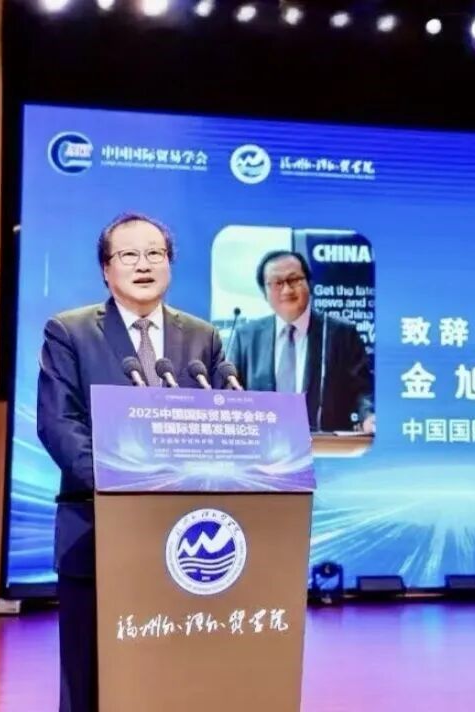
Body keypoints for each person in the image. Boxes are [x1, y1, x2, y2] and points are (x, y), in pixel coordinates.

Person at [36, 213, 230, 712]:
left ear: (170, 264)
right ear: (107, 269)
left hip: (185, 539)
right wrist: (124, 487)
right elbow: (59, 425)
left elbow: (222, 422)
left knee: (175, 677)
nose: (143, 265)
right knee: (90, 680)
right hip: (97, 528)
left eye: (155, 254)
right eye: (129, 255)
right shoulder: (70, 332)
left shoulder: (202, 337)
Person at [228, 250, 375, 433]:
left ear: (309, 284)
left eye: (294, 280)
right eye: (277, 283)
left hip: (326, 447)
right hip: (262, 446)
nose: (287, 290)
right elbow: (230, 392)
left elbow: (363, 391)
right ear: (264, 292)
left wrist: (368, 416)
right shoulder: (246, 337)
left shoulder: (341, 334)